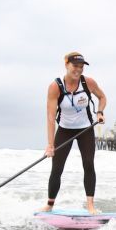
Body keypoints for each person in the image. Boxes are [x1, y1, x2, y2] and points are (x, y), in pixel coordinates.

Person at [40, 52, 106, 214]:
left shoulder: (88, 83)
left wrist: (99, 112)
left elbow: (102, 97)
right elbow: (50, 117)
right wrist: (50, 145)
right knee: (57, 168)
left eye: (81, 67)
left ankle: (90, 205)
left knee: (88, 164)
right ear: (66, 65)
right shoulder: (55, 87)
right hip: (65, 130)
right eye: (75, 66)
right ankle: (50, 204)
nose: (78, 70)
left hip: (85, 129)